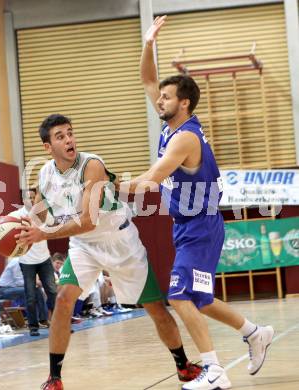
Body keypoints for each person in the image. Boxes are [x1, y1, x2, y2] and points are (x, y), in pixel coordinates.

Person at [118, 15, 274, 390]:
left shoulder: (184, 139)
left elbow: (152, 179)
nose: (159, 98)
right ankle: (255, 332)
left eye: (167, 96)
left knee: (180, 297)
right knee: (200, 299)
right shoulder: (170, 125)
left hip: (200, 226)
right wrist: (147, 43)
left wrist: (107, 185)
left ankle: (215, 371)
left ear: (183, 103)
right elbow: (147, 79)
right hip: (188, 225)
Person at [16, 114, 202, 390]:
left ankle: (182, 364)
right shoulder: (44, 174)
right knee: (64, 299)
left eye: (70, 132)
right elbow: (40, 214)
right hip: (83, 246)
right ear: (47, 147)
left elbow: (88, 220)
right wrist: (21, 230)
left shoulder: (92, 165)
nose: (69, 139)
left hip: (120, 242)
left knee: (155, 309)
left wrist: (44, 233)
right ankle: (54, 378)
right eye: (60, 136)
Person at [10, 189, 57, 336]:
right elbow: (2, 224)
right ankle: (33, 327)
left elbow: (54, 226)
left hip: (44, 260)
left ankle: (59, 325)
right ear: (23, 200)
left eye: (33, 197)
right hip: (27, 261)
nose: (30, 200)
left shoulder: (43, 214)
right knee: (30, 296)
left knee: (53, 292)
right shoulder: (16, 216)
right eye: (27, 198)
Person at [0, 257, 49, 327]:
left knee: (37, 291)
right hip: (4, 290)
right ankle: (35, 320)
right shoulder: (17, 262)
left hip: (12, 288)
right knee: (32, 291)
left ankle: (42, 319)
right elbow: (19, 282)